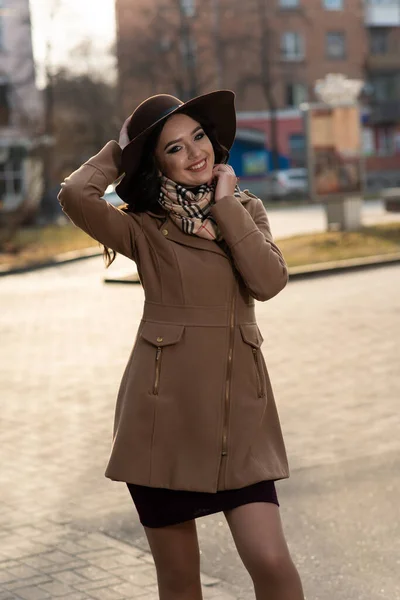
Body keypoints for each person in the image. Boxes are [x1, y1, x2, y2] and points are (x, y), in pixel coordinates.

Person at [58, 90, 305, 600]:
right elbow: (76, 194)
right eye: (174, 147)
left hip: (239, 417)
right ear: (156, 162)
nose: (195, 153)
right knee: (178, 580)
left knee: (272, 561)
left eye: (198, 137)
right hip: (161, 422)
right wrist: (124, 147)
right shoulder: (144, 228)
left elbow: (268, 280)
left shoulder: (246, 209)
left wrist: (225, 207)